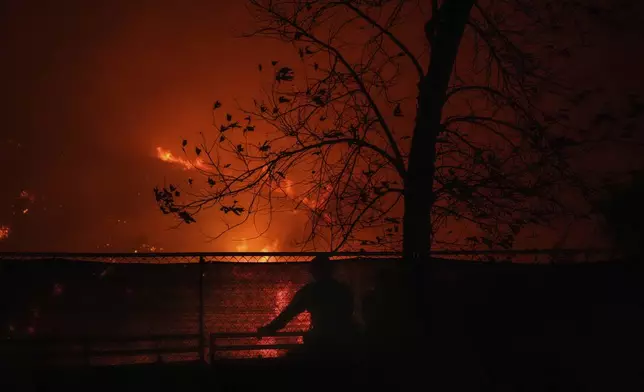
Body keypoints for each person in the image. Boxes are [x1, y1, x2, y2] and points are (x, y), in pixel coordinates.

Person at [257, 255, 356, 357]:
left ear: (314, 271)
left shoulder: (311, 291)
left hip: (322, 341)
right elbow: (350, 311)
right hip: (346, 339)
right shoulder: (343, 290)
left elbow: (288, 314)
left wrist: (269, 328)